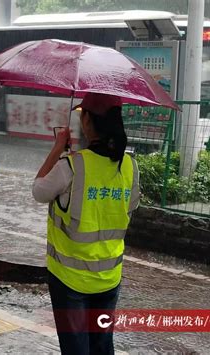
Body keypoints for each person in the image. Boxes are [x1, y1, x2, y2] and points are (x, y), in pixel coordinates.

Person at [32, 92, 140, 355]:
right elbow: (131, 206)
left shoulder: (72, 166)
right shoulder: (130, 166)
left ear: (89, 121)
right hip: (109, 278)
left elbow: (38, 190)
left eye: (83, 116)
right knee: (102, 347)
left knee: (76, 349)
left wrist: (58, 148)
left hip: (70, 281)